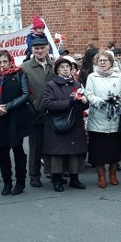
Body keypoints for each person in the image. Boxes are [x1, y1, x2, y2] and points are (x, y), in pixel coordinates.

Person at [0, 50, 33, 195]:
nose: (2, 65)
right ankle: (7, 182)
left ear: (10, 61)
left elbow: (25, 94)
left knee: (18, 149)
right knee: (2, 151)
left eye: (5, 61)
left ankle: (20, 182)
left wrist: (8, 106)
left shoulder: (20, 74)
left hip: (16, 117)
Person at [42, 58, 89, 191]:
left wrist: (85, 101)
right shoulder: (51, 85)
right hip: (58, 123)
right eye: (62, 67)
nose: (65, 69)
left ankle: (74, 179)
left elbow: (84, 104)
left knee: (75, 152)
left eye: (68, 67)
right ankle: (57, 179)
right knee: (57, 153)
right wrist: (69, 102)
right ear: (57, 70)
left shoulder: (77, 83)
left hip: (75, 122)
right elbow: (48, 104)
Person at [84, 50, 121, 188]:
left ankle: (113, 174)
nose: (102, 63)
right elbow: (89, 94)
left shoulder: (119, 77)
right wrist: (101, 102)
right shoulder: (92, 77)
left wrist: (117, 101)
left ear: (111, 62)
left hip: (115, 119)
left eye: (105, 60)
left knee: (114, 150)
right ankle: (101, 176)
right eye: (100, 60)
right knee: (99, 151)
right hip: (97, 118)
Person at [22, 37, 54, 187]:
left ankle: (54, 172)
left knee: (53, 145)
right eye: (37, 49)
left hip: (53, 112)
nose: (40, 51)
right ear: (32, 50)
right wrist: (31, 106)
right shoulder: (25, 67)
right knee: (35, 146)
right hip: (34, 112)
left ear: (47, 48)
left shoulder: (55, 65)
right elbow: (22, 91)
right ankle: (34, 175)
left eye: (42, 48)